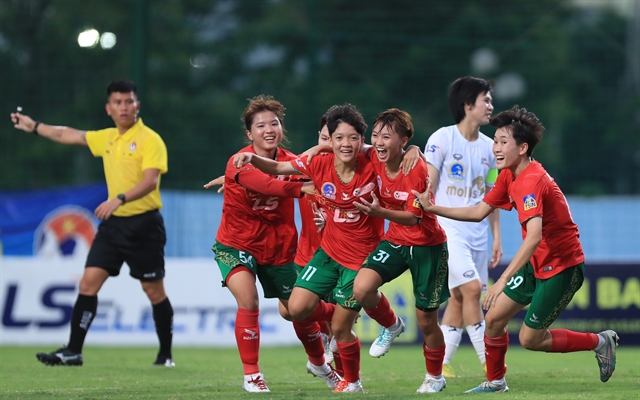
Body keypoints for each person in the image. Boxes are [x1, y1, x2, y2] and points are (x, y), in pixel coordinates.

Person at [412, 105, 619, 393]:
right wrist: (433, 208)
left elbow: (533, 236)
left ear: (522, 148)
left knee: (530, 339)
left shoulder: (531, 181)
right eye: (495, 140)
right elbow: (478, 211)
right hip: (536, 263)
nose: (495, 147)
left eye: (503, 142)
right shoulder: (508, 174)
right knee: (494, 319)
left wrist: (502, 281)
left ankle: (599, 342)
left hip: (561, 267)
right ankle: (496, 382)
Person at [10, 79, 175, 367]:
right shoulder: (108, 138)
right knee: (88, 284)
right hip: (113, 227)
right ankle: (73, 351)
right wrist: (34, 126)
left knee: (153, 291)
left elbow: (150, 181)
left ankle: (165, 355)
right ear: (108, 108)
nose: (124, 107)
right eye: (118, 102)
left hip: (144, 226)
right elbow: (68, 134)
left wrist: (119, 198)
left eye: (129, 101)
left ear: (137, 105)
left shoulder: (151, 139)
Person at [233, 104, 383, 393]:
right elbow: (268, 171)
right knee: (292, 310)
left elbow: (390, 155)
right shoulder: (308, 163)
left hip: (350, 256)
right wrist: (231, 178)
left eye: (349, 138)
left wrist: (412, 151)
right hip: (310, 254)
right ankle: (322, 358)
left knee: (338, 328)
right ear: (321, 137)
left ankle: (350, 380)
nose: (337, 145)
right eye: (331, 138)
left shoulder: (366, 163)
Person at [211, 95, 340, 393]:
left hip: (278, 248)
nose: (269, 129)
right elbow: (268, 185)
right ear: (249, 133)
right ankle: (252, 376)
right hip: (235, 244)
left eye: (275, 123)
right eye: (260, 125)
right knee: (249, 301)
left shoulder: (290, 161)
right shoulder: (239, 161)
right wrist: (305, 186)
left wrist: (409, 148)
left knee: (299, 311)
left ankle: (320, 363)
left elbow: (326, 174)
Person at [351, 108, 450, 393]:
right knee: (362, 288)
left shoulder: (417, 169)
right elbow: (343, 144)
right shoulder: (373, 156)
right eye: (376, 135)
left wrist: (378, 210)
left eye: (387, 136)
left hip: (427, 246)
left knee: (427, 321)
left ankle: (435, 377)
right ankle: (392, 325)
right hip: (395, 240)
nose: (379, 142)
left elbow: (415, 217)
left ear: (403, 140)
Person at [424, 76, 502, 377]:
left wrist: (496, 237)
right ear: (468, 105)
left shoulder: (490, 148)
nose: (490, 106)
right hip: (447, 230)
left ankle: (441, 365)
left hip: (479, 234)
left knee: (459, 299)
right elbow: (428, 186)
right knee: (471, 291)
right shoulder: (442, 138)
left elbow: (492, 196)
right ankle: (490, 363)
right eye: (486, 100)